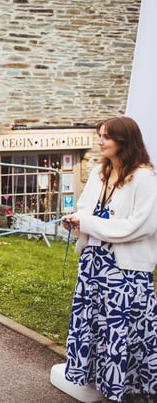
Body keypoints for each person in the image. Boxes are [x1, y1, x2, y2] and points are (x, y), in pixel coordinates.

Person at [61, 116, 157, 402]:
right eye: (100, 135)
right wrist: (75, 222)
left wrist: (88, 224)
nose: (100, 141)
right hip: (93, 263)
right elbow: (84, 209)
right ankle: (98, 382)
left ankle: (129, 391)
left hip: (124, 270)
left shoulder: (144, 179)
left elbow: (140, 227)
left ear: (124, 142)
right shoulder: (98, 173)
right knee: (93, 327)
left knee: (120, 331)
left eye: (106, 137)